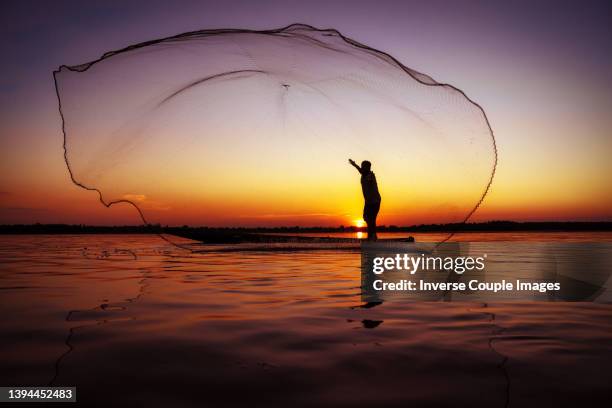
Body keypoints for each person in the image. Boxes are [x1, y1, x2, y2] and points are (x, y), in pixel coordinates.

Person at [348, 159, 381, 241]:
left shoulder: (370, 175)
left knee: (371, 219)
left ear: (368, 167)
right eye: (362, 166)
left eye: (363, 166)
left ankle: (372, 237)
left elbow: (364, 173)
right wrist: (355, 165)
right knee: (366, 218)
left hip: (375, 201)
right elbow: (361, 171)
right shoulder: (364, 174)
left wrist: (355, 165)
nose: (362, 168)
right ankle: (372, 236)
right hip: (368, 202)